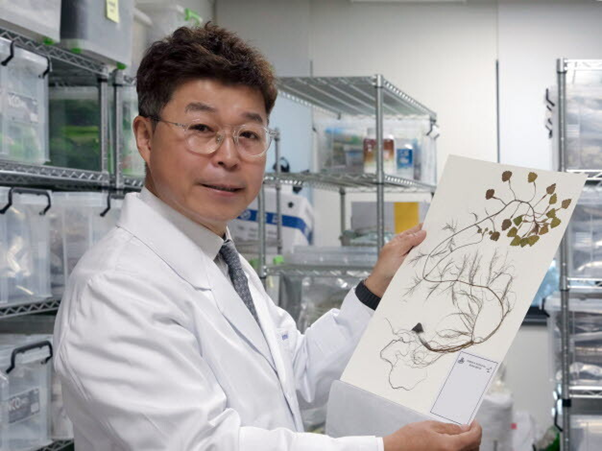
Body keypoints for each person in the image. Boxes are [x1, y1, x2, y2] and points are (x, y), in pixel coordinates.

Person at [53, 23, 482, 451]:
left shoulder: (222, 258)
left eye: (248, 135)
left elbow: (294, 371)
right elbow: (206, 446)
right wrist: (387, 449)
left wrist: (376, 290)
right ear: (145, 137)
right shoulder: (116, 289)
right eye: (201, 128)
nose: (228, 156)